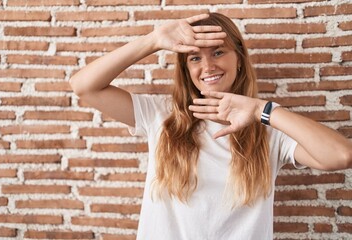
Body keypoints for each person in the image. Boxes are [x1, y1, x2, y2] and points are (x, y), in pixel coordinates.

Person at [69, 12, 352, 240]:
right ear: (187, 69)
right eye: (195, 57)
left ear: (239, 60)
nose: (207, 66)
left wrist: (260, 109)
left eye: (218, 52)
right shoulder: (161, 115)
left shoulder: (268, 124)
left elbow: (341, 156)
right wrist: (153, 40)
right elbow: (84, 86)